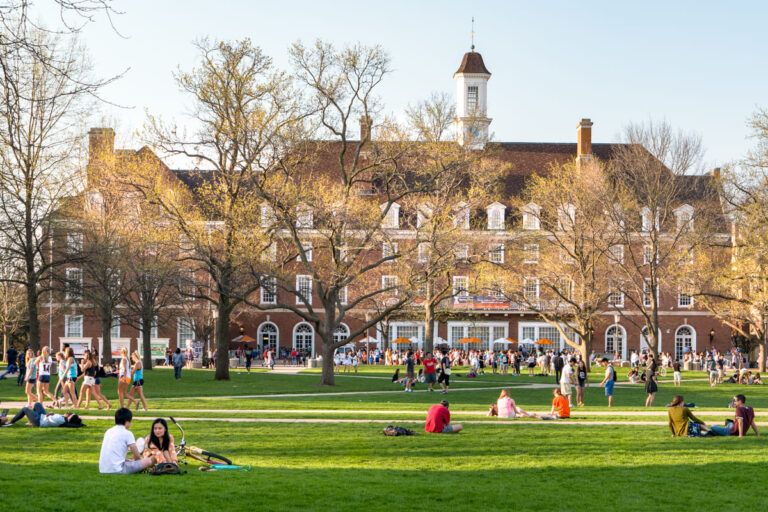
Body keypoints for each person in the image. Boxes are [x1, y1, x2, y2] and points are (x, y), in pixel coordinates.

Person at [98, 408, 156, 474]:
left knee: (129, 461)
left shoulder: (108, 431)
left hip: (103, 469)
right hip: (118, 469)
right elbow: (137, 456)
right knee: (152, 459)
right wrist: (140, 463)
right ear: (127, 422)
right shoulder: (127, 433)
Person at [1, 402, 82, 428]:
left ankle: (11, 422)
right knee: (37, 404)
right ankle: (30, 421)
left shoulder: (61, 420)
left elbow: (69, 425)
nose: (68, 412)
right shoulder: (62, 418)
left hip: (39, 421)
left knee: (24, 409)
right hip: (42, 416)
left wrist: (49, 415)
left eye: (69, 413)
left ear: (69, 417)